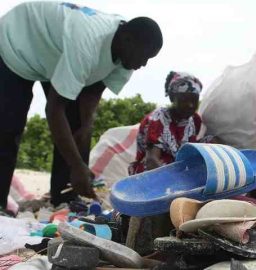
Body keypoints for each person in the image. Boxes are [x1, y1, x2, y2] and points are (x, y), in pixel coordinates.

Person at [0, 2, 163, 213]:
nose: (144, 64)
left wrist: (85, 128)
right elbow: (54, 109)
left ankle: (65, 197)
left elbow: (92, 93)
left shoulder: (127, 57)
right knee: (8, 126)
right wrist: (77, 165)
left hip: (55, 54)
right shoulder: (87, 44)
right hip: (19, 38)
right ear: (127, 40)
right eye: (144, 56)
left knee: (76, 123)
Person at [129, 71, 210, 175]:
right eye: (184, 99)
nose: (190, 105)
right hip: (155, 172)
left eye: (194, 100)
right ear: (172, 97)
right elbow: (151, 161)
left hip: (181, 165)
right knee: (166, 162)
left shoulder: (194, 119)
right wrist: (180, 181)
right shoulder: (159, 118)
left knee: (212, 142)